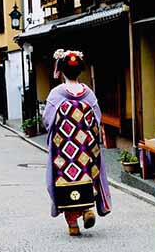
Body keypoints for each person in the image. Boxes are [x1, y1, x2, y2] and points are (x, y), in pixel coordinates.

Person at [43, 49, 111, 235]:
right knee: (88, 176)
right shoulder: (88, 94)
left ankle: (72, 224)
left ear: (62, 71)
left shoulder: (56, 94)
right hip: (86, 150)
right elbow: (97, 119)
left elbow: (47, 120)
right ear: (80, 70)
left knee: (65, 179)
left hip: (63, 151)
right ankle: (87, 208)